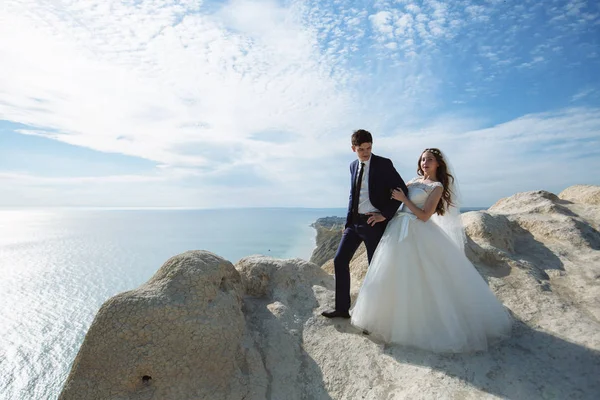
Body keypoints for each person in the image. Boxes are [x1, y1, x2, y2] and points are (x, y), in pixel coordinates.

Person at [351, 148, 512, 352]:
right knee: (392, 275)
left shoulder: (436, 187)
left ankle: (416, 325)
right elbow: (393, 200)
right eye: (423, 159)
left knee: (422, 278)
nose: (425, 162)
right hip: (397, 229)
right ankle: (382, 319)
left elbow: (425, 215)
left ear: (438, 164)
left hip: (418, 231)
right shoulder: (412, 181)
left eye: (430, 159)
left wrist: (405, 200)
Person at [322, 129, 408, 319]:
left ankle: (376, 317)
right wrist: (347, 222)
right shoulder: (353, 166)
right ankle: (342, 309)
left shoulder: (384, 164)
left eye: (369, 148)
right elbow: (353, 195)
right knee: (339, 260)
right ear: (353, 148)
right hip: (354, 223)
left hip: (373, 223)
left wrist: (384, 215)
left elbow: (401, 191)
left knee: (375, 268)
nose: (366, 152)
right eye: (361, 149)